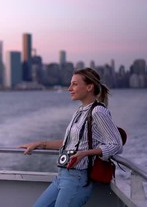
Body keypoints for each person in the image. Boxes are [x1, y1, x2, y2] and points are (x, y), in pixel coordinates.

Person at [19, 68, 123, 207]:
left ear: (89, 87)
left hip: (77, 179)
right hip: (62, 175)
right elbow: (71, 143)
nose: (69, 88)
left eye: (74, 84)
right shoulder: (79, 111)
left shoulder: (98, 111)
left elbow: (116, 144)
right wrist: (40, 144)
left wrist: (86, 153)